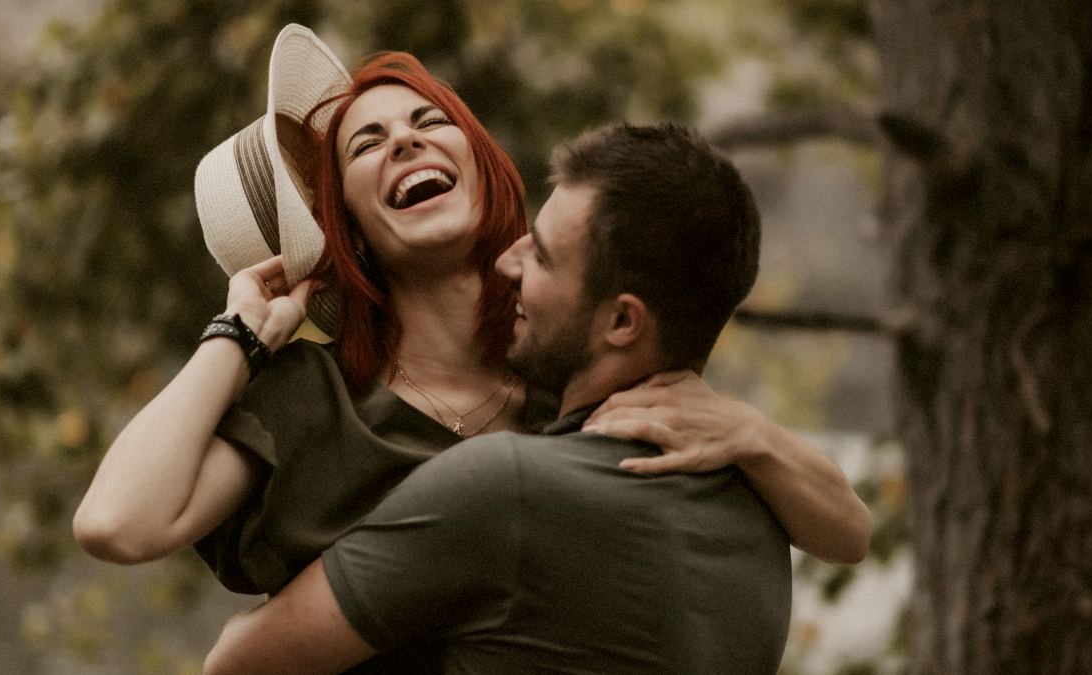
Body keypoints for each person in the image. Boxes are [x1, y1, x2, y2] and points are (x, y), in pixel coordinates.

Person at [73, 25, 866, 668]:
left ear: (480, 167)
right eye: (367, 145)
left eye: (427, 123)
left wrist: (755, 435)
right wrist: (239, 332)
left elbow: (847, 532)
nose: (405, 145)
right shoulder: (317, 398)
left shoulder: (574, 369)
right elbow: (117, 523)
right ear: (342, 227)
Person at [204, 122, 793, 674]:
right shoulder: (764, 514)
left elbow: (236, 662)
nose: (508, 261)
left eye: (540, 254)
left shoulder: (505, 487)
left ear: (621, 323)